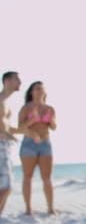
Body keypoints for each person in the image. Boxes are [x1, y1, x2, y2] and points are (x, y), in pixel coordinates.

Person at [18, 81, 57, 215]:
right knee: (27, 177)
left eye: (42, 89)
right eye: (37, 88)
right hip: (29, 144)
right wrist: (32, 120)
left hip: (45, 144)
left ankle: (50, 208)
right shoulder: (26, 108)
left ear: (45, 92)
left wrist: (50, 120)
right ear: (31, 92)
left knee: (47, 178)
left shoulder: (50, 108)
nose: (40, 91)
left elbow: (54, 127)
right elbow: (20, 128)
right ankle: (28, 209)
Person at [0, 71, 25, 217]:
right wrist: (10, 136)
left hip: (5, 146)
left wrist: (26, 132)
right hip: (1, 145)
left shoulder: (5, 102)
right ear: (7, 81)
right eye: (17, 79)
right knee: (6, 186)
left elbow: (7, 128)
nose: (20, 82)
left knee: (6, 187)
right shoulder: (1, 100)